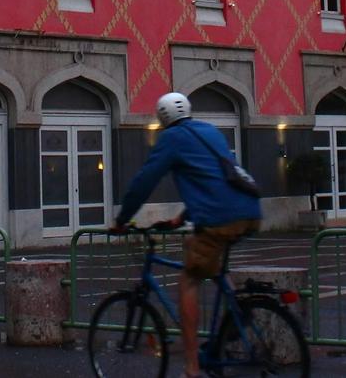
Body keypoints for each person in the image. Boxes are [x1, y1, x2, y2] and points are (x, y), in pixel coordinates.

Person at [111, 92, 262, 378]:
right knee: (210, 260)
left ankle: (192, 367)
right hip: (249, 209)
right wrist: (181, 217)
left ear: (162, 117)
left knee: (189, 281)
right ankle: (236, 311)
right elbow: (214, 178)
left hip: (220, 217)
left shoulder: (172, 138)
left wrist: (122, 219)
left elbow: (145, 180)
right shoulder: (209, 131)